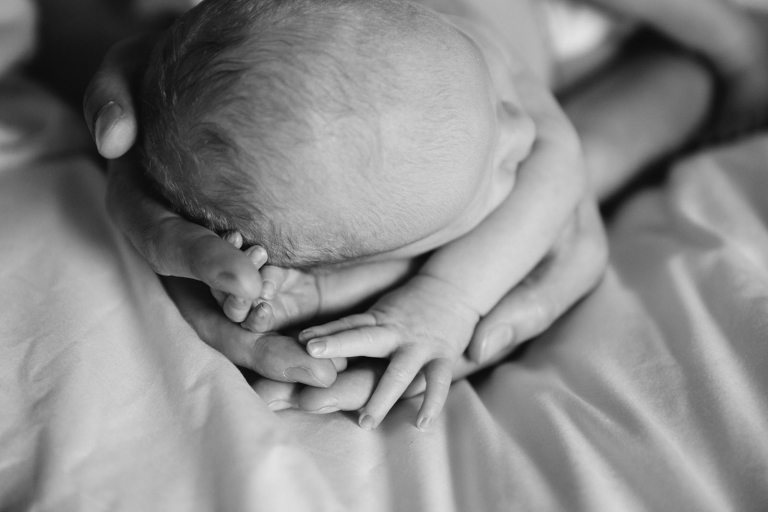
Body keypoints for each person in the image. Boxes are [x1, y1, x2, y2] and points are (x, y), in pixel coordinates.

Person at [81, 0, 730, 424]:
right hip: (578, 51)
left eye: (492, 102)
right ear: (374, 258)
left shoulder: (443, 55)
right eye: (490, 175)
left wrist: (446, 296)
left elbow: (558, 166)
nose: (521, 135)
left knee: (676, 86)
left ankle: (740, 52)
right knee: (685, 83)